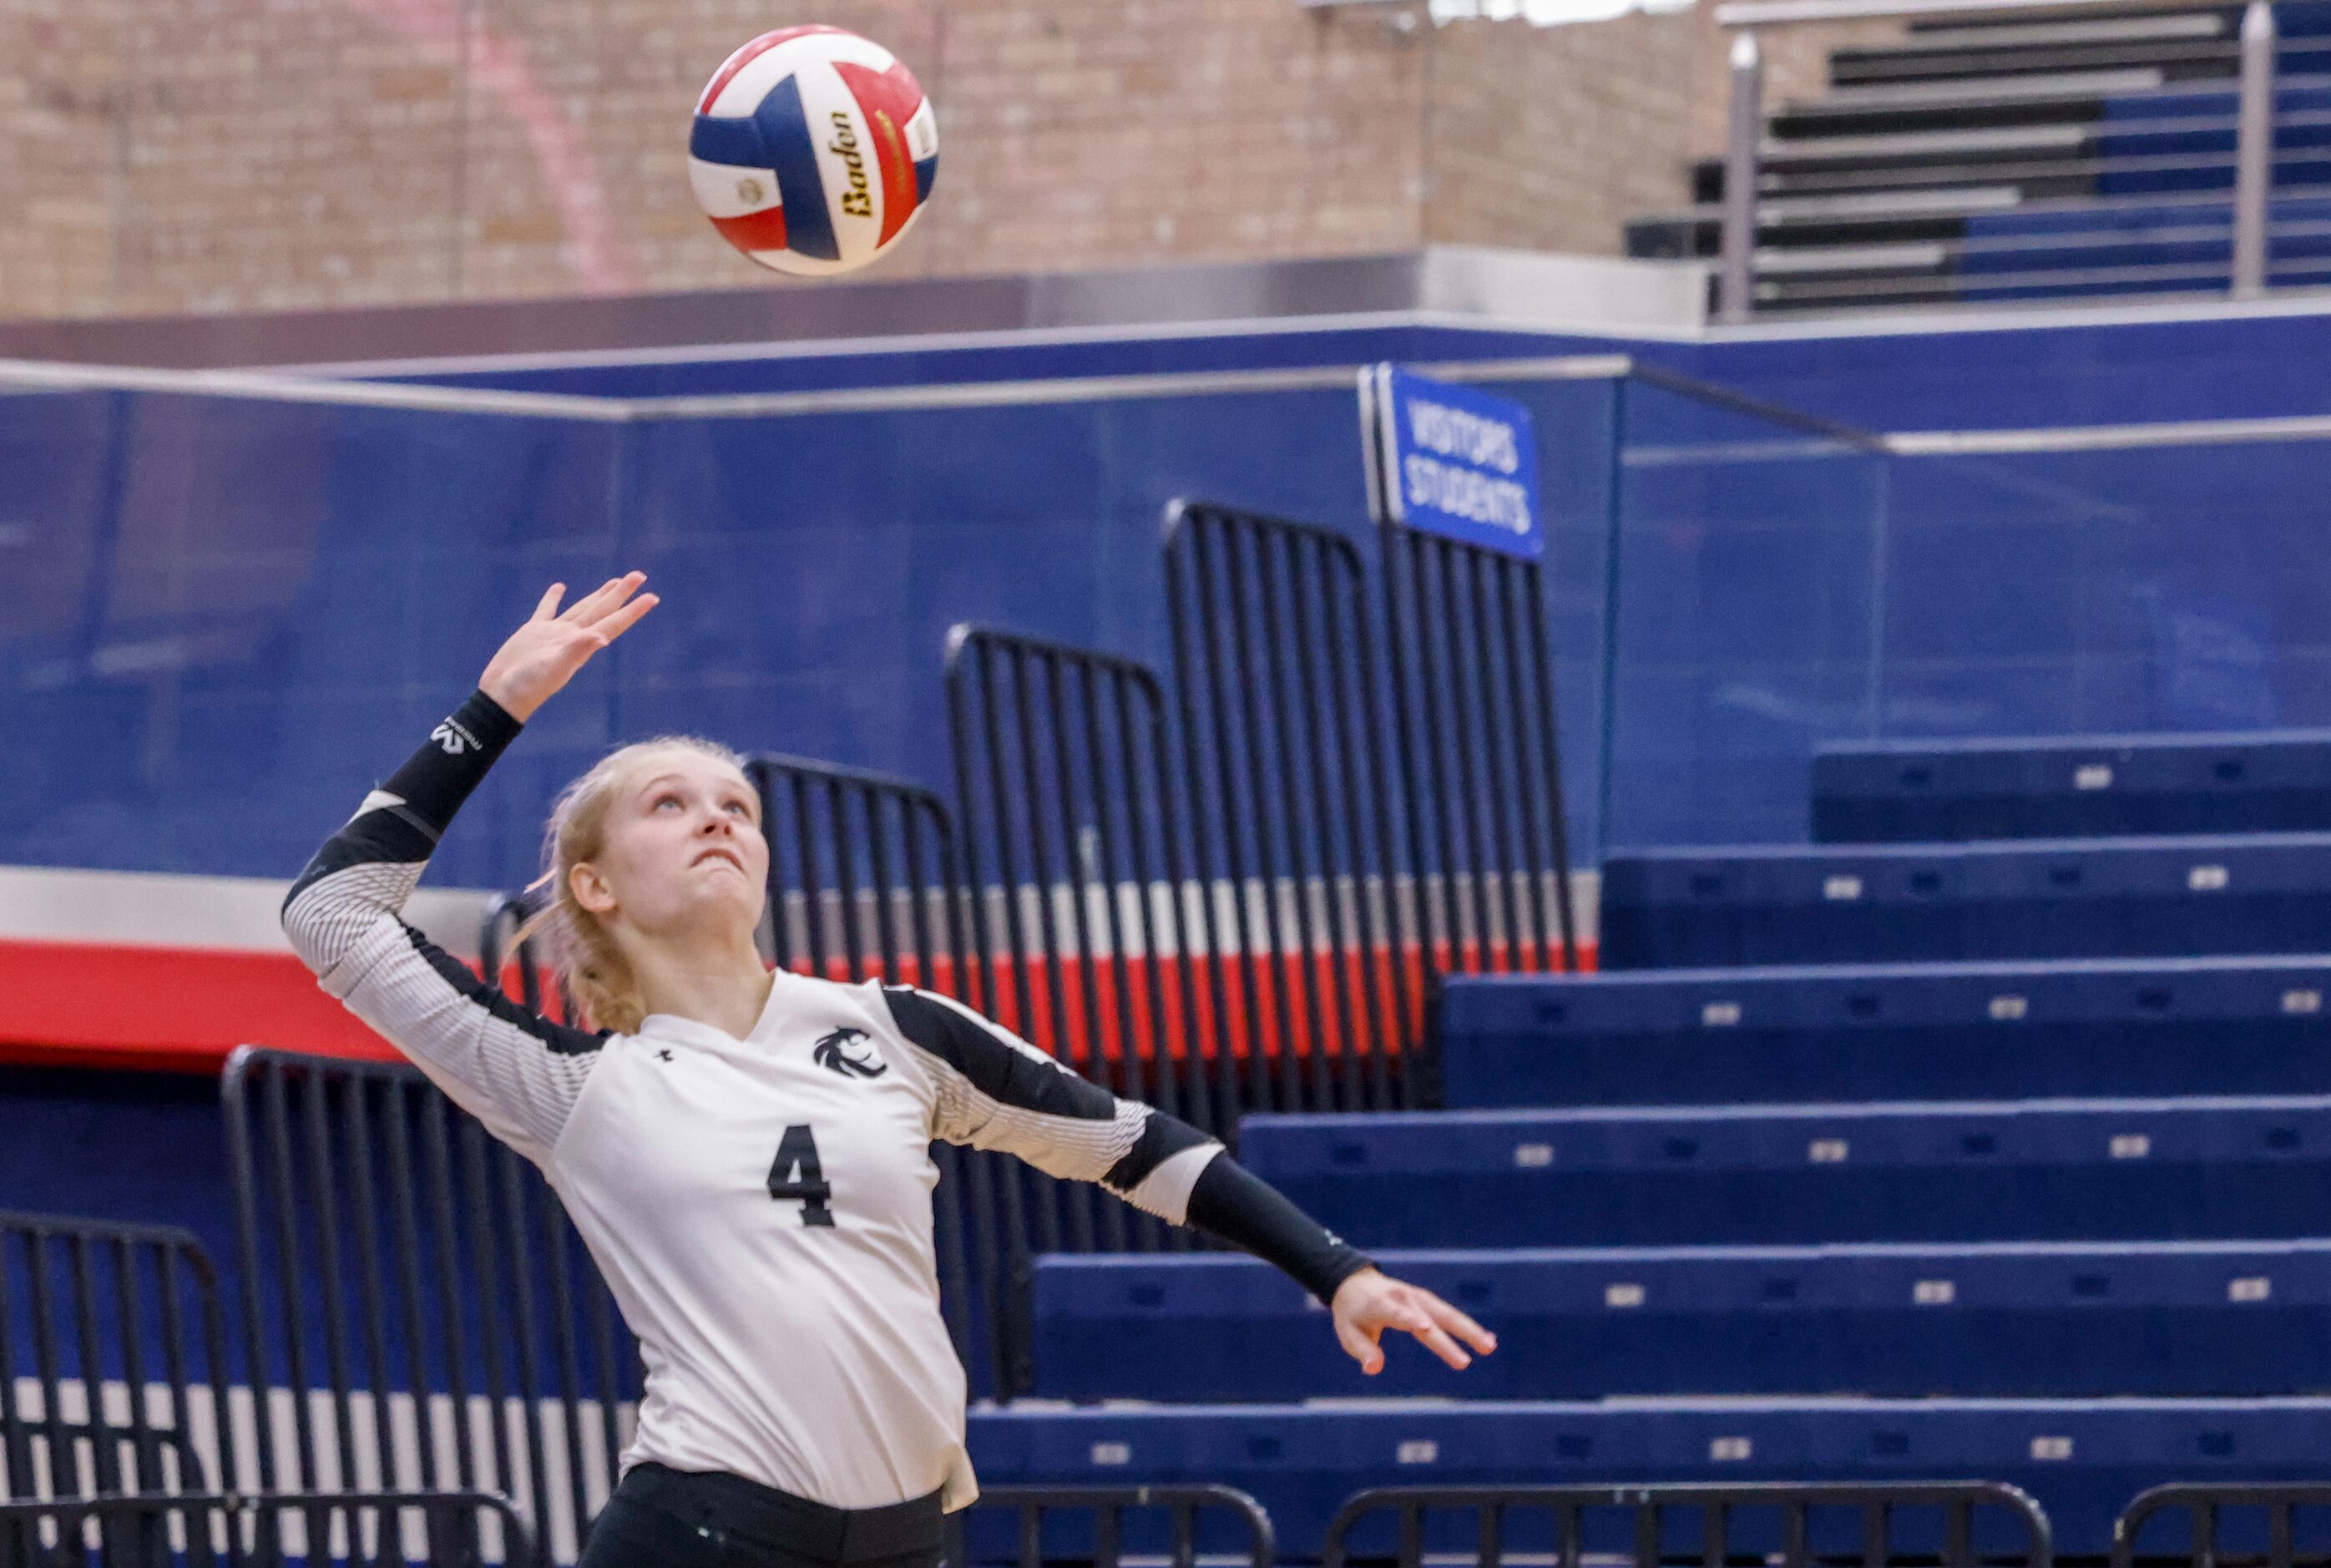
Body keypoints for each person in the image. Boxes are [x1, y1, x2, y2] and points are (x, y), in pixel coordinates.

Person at [282, 573, 1496, 1568]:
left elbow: (1133, 1144)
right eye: (670, 803)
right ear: (594, 884)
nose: (718, 818)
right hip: (708, 1531)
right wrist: (494, 706)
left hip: (911, 1538)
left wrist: (1335, 1271)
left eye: (739, 806)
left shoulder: (895, 1028)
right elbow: (334, 911)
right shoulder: (574, 1083)